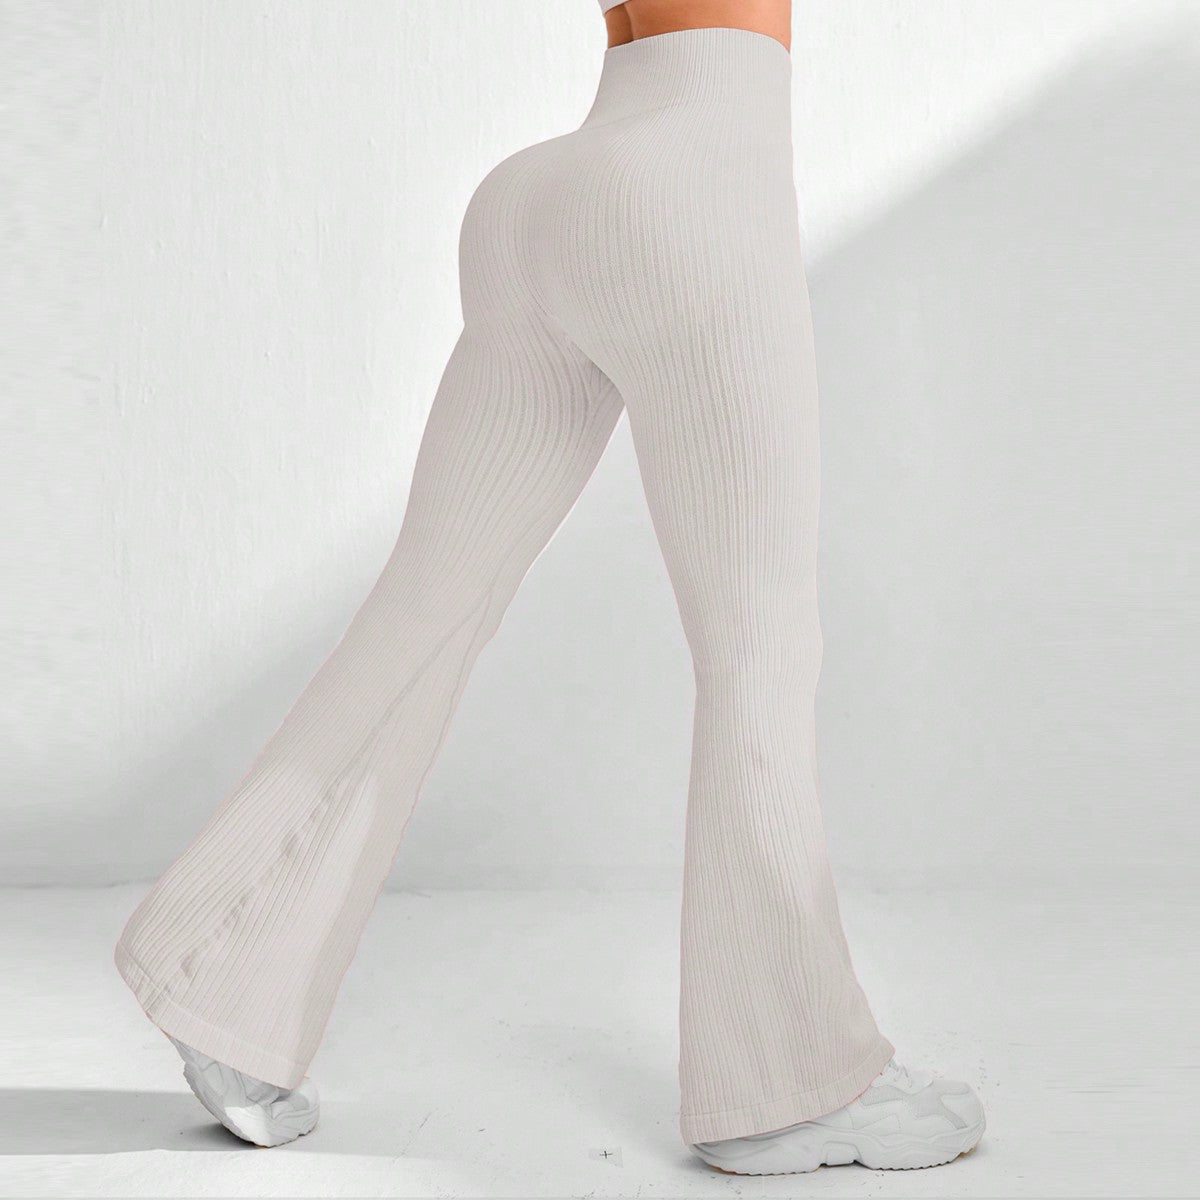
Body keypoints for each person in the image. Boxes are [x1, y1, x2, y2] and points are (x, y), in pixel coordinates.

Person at [114, 0, 985, 1176]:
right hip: (693, 176)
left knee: (430, 603)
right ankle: (785, 1087)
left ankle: (222, 982)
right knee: (759, 647)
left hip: (549, 194)